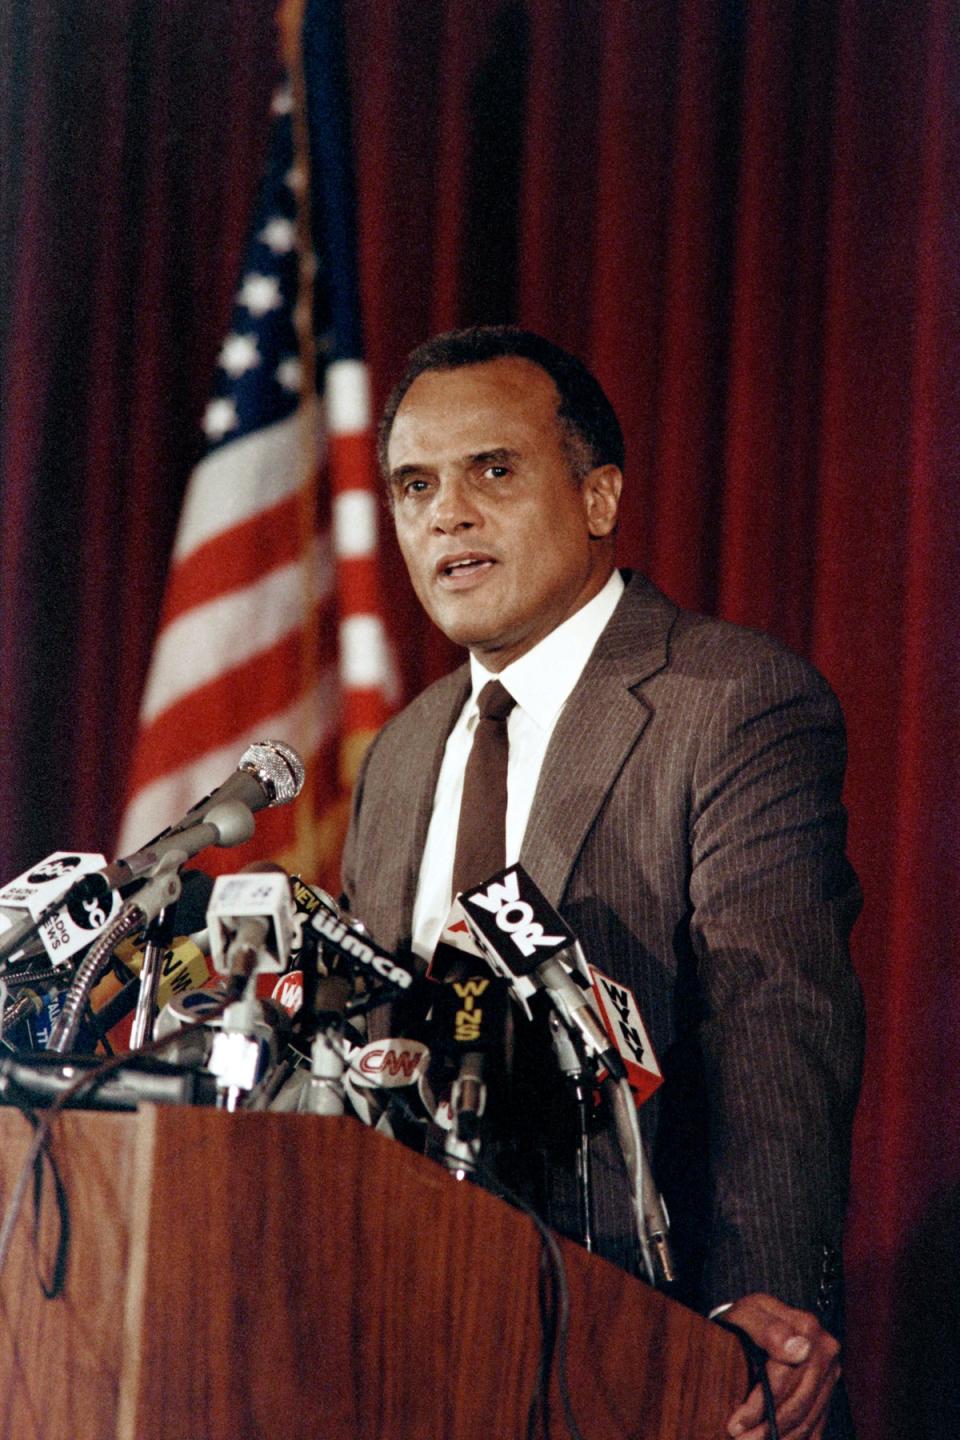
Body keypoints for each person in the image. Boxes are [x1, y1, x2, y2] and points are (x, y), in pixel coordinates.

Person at [341, 326, 864, 1440]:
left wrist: (757, 1314)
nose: (446, 515)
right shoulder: (400, 753)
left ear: (599, 496)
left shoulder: (725, 701)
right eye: (416, 485)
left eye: (493, 469)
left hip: (649, 1352)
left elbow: (778, 1024)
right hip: (408, 1347)